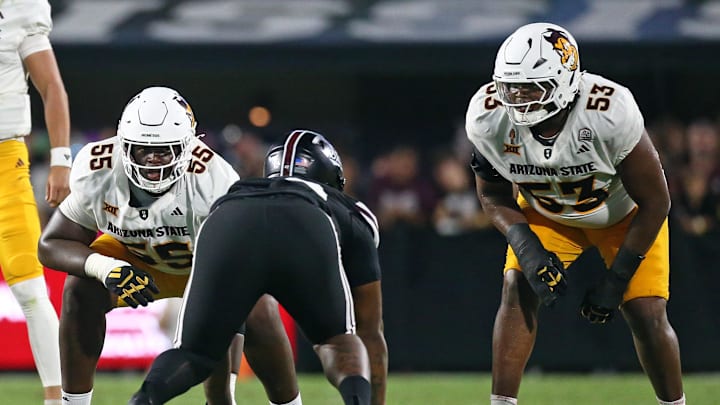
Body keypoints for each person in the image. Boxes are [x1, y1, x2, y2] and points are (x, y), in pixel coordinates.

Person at [465, 22, 685, 405]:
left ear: (565, 81)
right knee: (517, 288)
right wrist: (526, 246)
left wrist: (615, 282)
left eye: (531, 86)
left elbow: (656, 202)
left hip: (622, 215)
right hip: (546, 213)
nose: (516, 97)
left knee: (645, 311)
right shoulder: (489, 117)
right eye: (510, 86)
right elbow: (493, 195)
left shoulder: (607, 111)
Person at [37, 87, 300, 405]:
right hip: (134, 258)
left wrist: (222, 393)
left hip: (202, 263)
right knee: (80, 288)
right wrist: (106, 267)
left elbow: (234, 281)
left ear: (188, 147)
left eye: (164, 150)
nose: (153, 160)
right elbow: (51, 243)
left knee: (258, 307)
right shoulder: (99, 168)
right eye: (143, 150)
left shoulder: (214, 181)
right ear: (123, 146)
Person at [128, 129, 377, 405]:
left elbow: (227, 330)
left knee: (193, 353)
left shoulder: (244, 189)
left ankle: (141, 401)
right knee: (337, 341)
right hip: (305, 219)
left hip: (228, 215)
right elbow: (371, 331)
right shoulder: (348, 208)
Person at [0, 0, 71, 403]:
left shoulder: (19, 7)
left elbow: (51, 86)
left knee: (29, 287)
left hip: (4, 161)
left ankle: (58, 398)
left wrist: (61, 160)